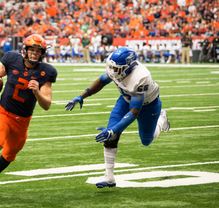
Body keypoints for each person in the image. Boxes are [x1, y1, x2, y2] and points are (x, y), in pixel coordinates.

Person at [65, 47, 170, 188]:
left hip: (148, 106)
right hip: (125, 99)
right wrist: (81, 96)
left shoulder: (141, 77)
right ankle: (109, 177)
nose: (113, 71)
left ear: (129, 67)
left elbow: (134, 112)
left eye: (117, 69)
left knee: (146, 140)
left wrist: (114, 129)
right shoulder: (118, 69)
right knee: (110, 135)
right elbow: (102, 81)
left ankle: (161, 119)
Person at [0, 34, 58, 195]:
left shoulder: (46, 72)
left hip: (23, 121)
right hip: (4, 113)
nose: (34, 54)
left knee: (9, 155)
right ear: (25, 50)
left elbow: (47, 105)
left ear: (42, 53)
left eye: (38, 51)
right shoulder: (12, 59)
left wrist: (36, 92)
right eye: (32, 50)